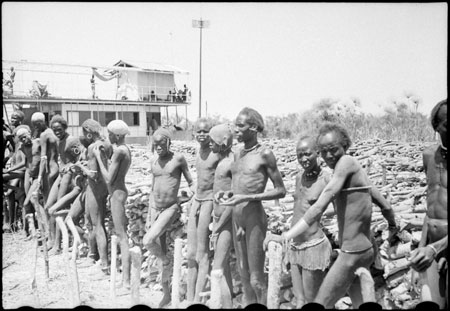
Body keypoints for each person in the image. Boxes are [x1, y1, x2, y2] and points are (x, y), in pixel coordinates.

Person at [264, 122, 398, 308]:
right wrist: (393, 226)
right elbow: (383, 203)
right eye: (324, 151)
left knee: (320, 302)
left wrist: (286, 236)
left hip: (352, 253)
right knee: (360, 300)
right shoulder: (351, 170)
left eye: (333, 149)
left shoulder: (345, 163)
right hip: (360, 248)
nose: (328, 155)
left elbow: (319, 207)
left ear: (345, 145)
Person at [220, 107, 287, 306]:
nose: (235, 130)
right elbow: (239, 187)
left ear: (254, 128)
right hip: (237, 217)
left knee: (257, 279)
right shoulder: (238, 154)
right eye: (235, 125)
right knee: (243, 272)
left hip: (254, 218)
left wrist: (247, 197)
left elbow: (281, 190)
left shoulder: (265, 154)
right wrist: (228, 194)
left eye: (240, 126)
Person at [143, 127, 195, 307]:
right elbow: (152, 188)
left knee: (148, 241)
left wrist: (189, 196)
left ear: (168, 143)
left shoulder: (178, 159)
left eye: (161, 144)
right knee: (160, 248)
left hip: (170, 208)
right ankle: (166, 293)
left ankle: (167, 260)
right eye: (155, 144)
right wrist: (151, 214)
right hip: (155, 209)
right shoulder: (154, 161)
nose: (158, 147)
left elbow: (190, 182)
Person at [284, 135, 333, 308]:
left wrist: (321, 214)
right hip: (295, 245)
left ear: (317, 153)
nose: (303, 159)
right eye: (299, 155)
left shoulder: (326, 179)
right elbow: (298, 207)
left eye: (307, 154)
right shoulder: (299, 177)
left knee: (312, 300)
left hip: (313, 245)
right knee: (300, 300)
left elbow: (339, 207)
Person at [409, 99, 447, 308]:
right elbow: (431, 206)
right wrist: (421, 252)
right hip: (432, 248)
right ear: (436, 127)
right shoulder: (429, 156)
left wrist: (433, 249)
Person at [93, 119, 132, 288]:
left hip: (117, 194)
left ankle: (126, 280)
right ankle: (125, 278)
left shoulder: (119, 152)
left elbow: (108, 178)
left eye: (110, 135)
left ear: (116, 135)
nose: (108, 137)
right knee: (121, 234)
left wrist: (98, 158)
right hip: (118, 192)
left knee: (122, 236)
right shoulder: (124, 149)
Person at [186, 118, 220, 303]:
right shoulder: (199, 151)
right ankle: (190, 296)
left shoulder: (217, 153)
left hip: (209, 201)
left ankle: (197, 300)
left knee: (202, 253)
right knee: (191, 253)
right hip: (197, 200)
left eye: (205, 131)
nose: (201, 135)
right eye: (198, 131)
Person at [73, 119, 112, 272]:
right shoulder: (107, 143)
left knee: (96, 224)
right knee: (93, 222)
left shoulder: (92, 147)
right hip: (104, 186)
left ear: (88, 133)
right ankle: (93, 256)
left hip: (95, 187)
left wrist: (79, 167)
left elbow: (93, 175)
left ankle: (104, 263)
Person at [209, 123, 235, 308]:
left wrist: (218, 227)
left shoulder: (231, 163)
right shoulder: (221, 161)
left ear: (222, 141)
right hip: (218, 219)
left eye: (213, 141)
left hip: (226, 221)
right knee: (223, 268)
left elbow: (234, 201)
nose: (210, 144)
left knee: (217, 269)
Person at [44, 115, 78, 253]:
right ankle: (51, 239)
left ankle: (58, 245)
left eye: (59, 129)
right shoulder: (58, 141)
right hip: (61, 174)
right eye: (54, 129)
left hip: (69, 175)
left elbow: (81, 158)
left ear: (64, 127)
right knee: (48, 206)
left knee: (57, 208)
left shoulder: (72, 140)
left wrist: (71, 166)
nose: (57, 132)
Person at [3, 125, 41, 237]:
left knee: (29, 201)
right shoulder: (22, 148)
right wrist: (10, 169)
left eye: (25, 137)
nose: (24, 140)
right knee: (26, 203)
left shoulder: (38, 143)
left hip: (35, 175)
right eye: (21, 139)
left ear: (29, 134)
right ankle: (27, 229)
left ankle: (37, 228)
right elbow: (25, 163)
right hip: (27, 174)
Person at [3, 111, 26, 232]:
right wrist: (8, 159)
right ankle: (11, 224)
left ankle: (17, 224)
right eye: (11, 117)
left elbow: (23, 163)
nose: (12, 119)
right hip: (14, 168)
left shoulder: (22, 142)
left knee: (12, 194)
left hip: (19, 171)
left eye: (15, 118)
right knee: (9, 196)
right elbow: (12, 152)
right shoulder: (12, 136)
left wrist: (10, 169)